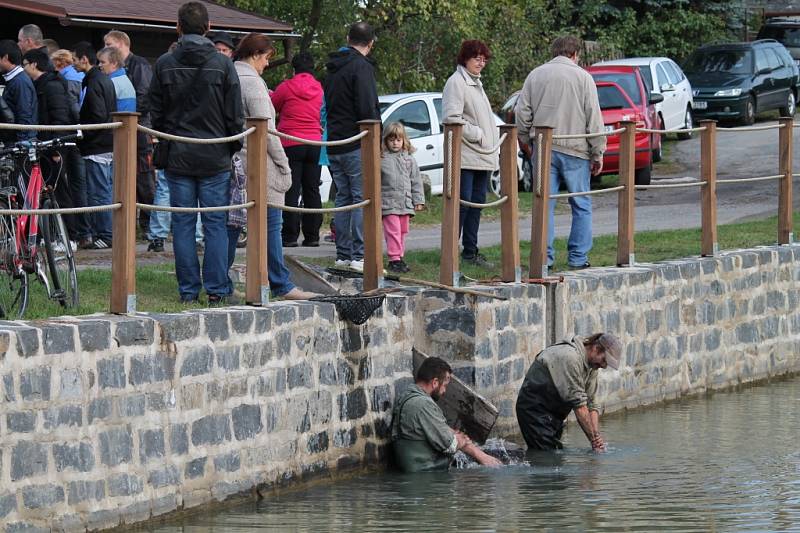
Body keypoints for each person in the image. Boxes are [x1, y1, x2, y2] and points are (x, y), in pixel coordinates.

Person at [149, 1, 244, 305]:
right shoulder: (223, 64)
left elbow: (156, 110)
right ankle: (216, 288)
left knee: (183, 224)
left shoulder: (164, 63)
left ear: (178, 27)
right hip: (215, 154)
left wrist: (168, 141)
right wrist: (232, 146)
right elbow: (235, 114)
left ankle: (188, 290)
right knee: (216, 223)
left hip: (178, 153)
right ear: (208, 27)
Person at [232, 33, 318, 301]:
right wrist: (283, 165)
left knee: (232, 224)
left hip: (238, 158)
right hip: (261, 162)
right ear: (256, 55)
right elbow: (268, 129)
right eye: (267, 58)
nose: (268, 64)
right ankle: (281, 283)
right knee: (271, 223)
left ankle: (224, 282)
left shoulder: (231, 75)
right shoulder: (254, 84)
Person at [515, 35, 605, 270]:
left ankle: (544, 258)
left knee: (544, 205)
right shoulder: (583, 77)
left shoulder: (536, 75)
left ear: (554, 52)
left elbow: (522, 112)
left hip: (544, 148)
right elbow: (593, 117)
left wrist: (526, 141)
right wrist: (598, 152)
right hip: (575, 147)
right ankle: (577, 257)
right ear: (575, 54)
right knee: (581, 204)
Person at [323, 22, 381, 273]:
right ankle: (359, 254)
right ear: (371, 43)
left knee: (344, 198)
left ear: (348, 38)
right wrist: (375, 141)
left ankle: (343, 254)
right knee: (360, 198)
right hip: (357, 142)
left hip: (335, 141)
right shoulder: (361, 67)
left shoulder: (333, 68)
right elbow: (367, 108)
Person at [442, 39, 499, 268]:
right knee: (462, 205)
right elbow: (451, 118)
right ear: (465, 58)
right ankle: (450, 251)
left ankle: (470, 250)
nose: (481, 63)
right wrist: (479, 134)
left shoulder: (476, 83)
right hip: (465, 155)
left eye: (484, 59)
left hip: (481, 156)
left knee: (476, 204)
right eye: (477, 58)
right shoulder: (456, 83)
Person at [391, 356, 502, 472]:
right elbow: (450, 445)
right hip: (425, 474)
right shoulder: (423, 405)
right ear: (434, 383)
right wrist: (461, 440)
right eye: (444, 385)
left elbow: (441, 431)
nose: (444, 391)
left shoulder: (407, 396)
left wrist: (454, 435)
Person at [516, 333, 622, 451]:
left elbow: (592, 404)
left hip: (553, 415)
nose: (603, 366)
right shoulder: (571, 358)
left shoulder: (592, 366)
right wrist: (594, 441)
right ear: (595, 348)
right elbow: (580, 406)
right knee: (546, 457)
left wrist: (596, 436)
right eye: (604, 360)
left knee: (553, 454)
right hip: (534, 409)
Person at [103, 30, 156, 237]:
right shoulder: (111, 70)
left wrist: (129, 117)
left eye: (110, 44)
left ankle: (150, 223)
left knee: (144, 179)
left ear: (123, 44)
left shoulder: (139, 65)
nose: (107, 48)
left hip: (139, 128)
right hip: (121, 129)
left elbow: (144, 95)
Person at [271, 51, 324, 248]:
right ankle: (312, 236)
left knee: (291, 189)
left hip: (291, 142)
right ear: (312, 68)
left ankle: (290, 236)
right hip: (314, 143)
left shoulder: (286, 87)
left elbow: (273, 106)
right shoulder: (319, 88)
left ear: (293, 68)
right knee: (312, 189)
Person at [72, 41, 117, 250]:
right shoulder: (101, 79)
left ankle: (106, 234)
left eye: (75, 59)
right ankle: (106, 232)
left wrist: (84, 134)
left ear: (84, 59)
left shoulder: (94, 81)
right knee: (103, 190)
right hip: (105, 143)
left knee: (100, 193)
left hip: (97, 146)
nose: (73, 63)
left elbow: (99, 115)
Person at [380, 122, 424, 274]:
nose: (395, 143)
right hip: (388, 202)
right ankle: (394, 259)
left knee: (403, 231)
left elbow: (416, 181)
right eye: (391, 139)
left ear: (404, 140)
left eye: (398, 139)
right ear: (385, 140)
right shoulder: (381, 159)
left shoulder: (409, 159)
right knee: (393, 231)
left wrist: (418, 200)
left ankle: (400, 256)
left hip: (405, 202)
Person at [0, 40, 37, 141]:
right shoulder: (14, 79)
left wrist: (21, 145)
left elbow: (24, 114)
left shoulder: (20, 82)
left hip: (20, 143)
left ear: (6, 57)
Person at [96, 47, 136, 112]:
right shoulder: (124, 79)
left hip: (116, 121)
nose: (99, 65)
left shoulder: (112, 82)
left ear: (114, 63)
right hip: (126, 121)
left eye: (102, 62)